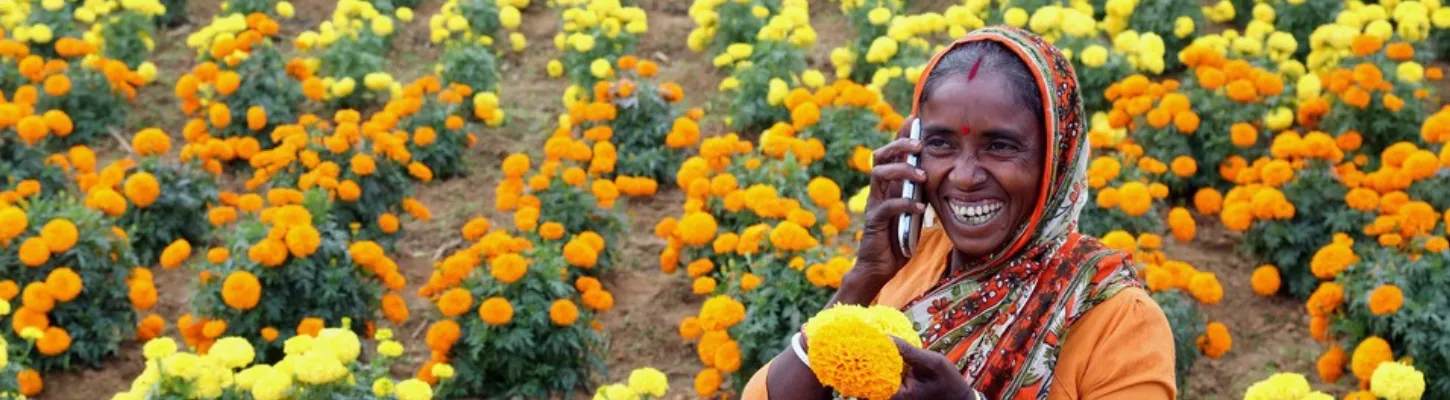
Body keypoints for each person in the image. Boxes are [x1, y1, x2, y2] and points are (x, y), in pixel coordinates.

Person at [742, 26, 1176, 399]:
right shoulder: (907, 268)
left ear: (1055, 162)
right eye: (940, 144)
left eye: (1000, 146)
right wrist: (862, 279)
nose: (964, 176)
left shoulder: (1119, 322)